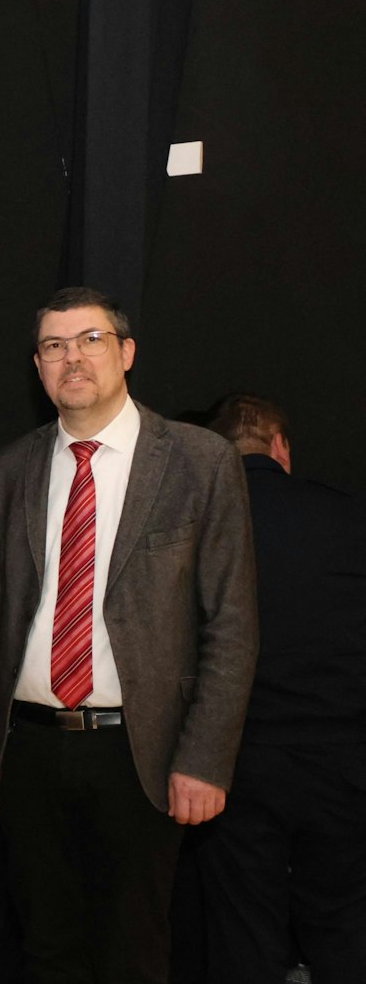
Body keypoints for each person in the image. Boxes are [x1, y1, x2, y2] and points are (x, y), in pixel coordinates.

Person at [0, 287, 258, 984]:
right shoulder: (11, 468)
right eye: (54, 346)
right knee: (46, 949)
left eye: (89, 339)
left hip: (142, 751)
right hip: (26, 747)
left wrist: (206, 757)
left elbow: (233, 623)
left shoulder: (199, 461)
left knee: (133, 954)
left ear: (126, 352)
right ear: (37, 367)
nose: (72, 358)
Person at [191, 395, 366, 981]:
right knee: (344, 926)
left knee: (244, 931)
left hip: (236, 761)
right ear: (281, 447)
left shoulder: (196, 522)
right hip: (342, 759)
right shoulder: (347, 515)